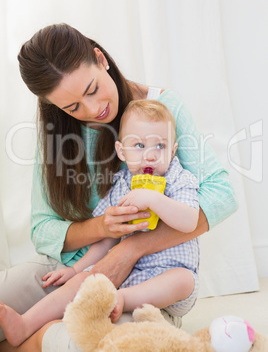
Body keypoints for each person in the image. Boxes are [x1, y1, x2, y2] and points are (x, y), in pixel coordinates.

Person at [0, 23, 237, 350]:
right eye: (73, 107)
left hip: (148, 284)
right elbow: (43, 229)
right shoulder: (59, 130)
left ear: (101, 59)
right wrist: (103, 228)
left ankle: (40, 337)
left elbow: (220, 196)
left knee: (82, 342)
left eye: (92, 89)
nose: (93, 109)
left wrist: (131, 248)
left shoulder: (161, 112)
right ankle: (38, 330)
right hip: (73, 271)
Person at [0, 99, 200, 346]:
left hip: (167, 285)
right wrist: (76, 269)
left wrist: (152, 199)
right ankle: (26, 324)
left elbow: (190, 221)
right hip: (125, 274)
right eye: (139, 145)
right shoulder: (121, 185)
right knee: (84, 280)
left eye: (160, 145)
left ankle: (123, 299)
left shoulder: (179, 178)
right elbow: (107, 239)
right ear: (121, 151)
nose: (150, 155)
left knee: (184, 279)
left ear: (172, 150)